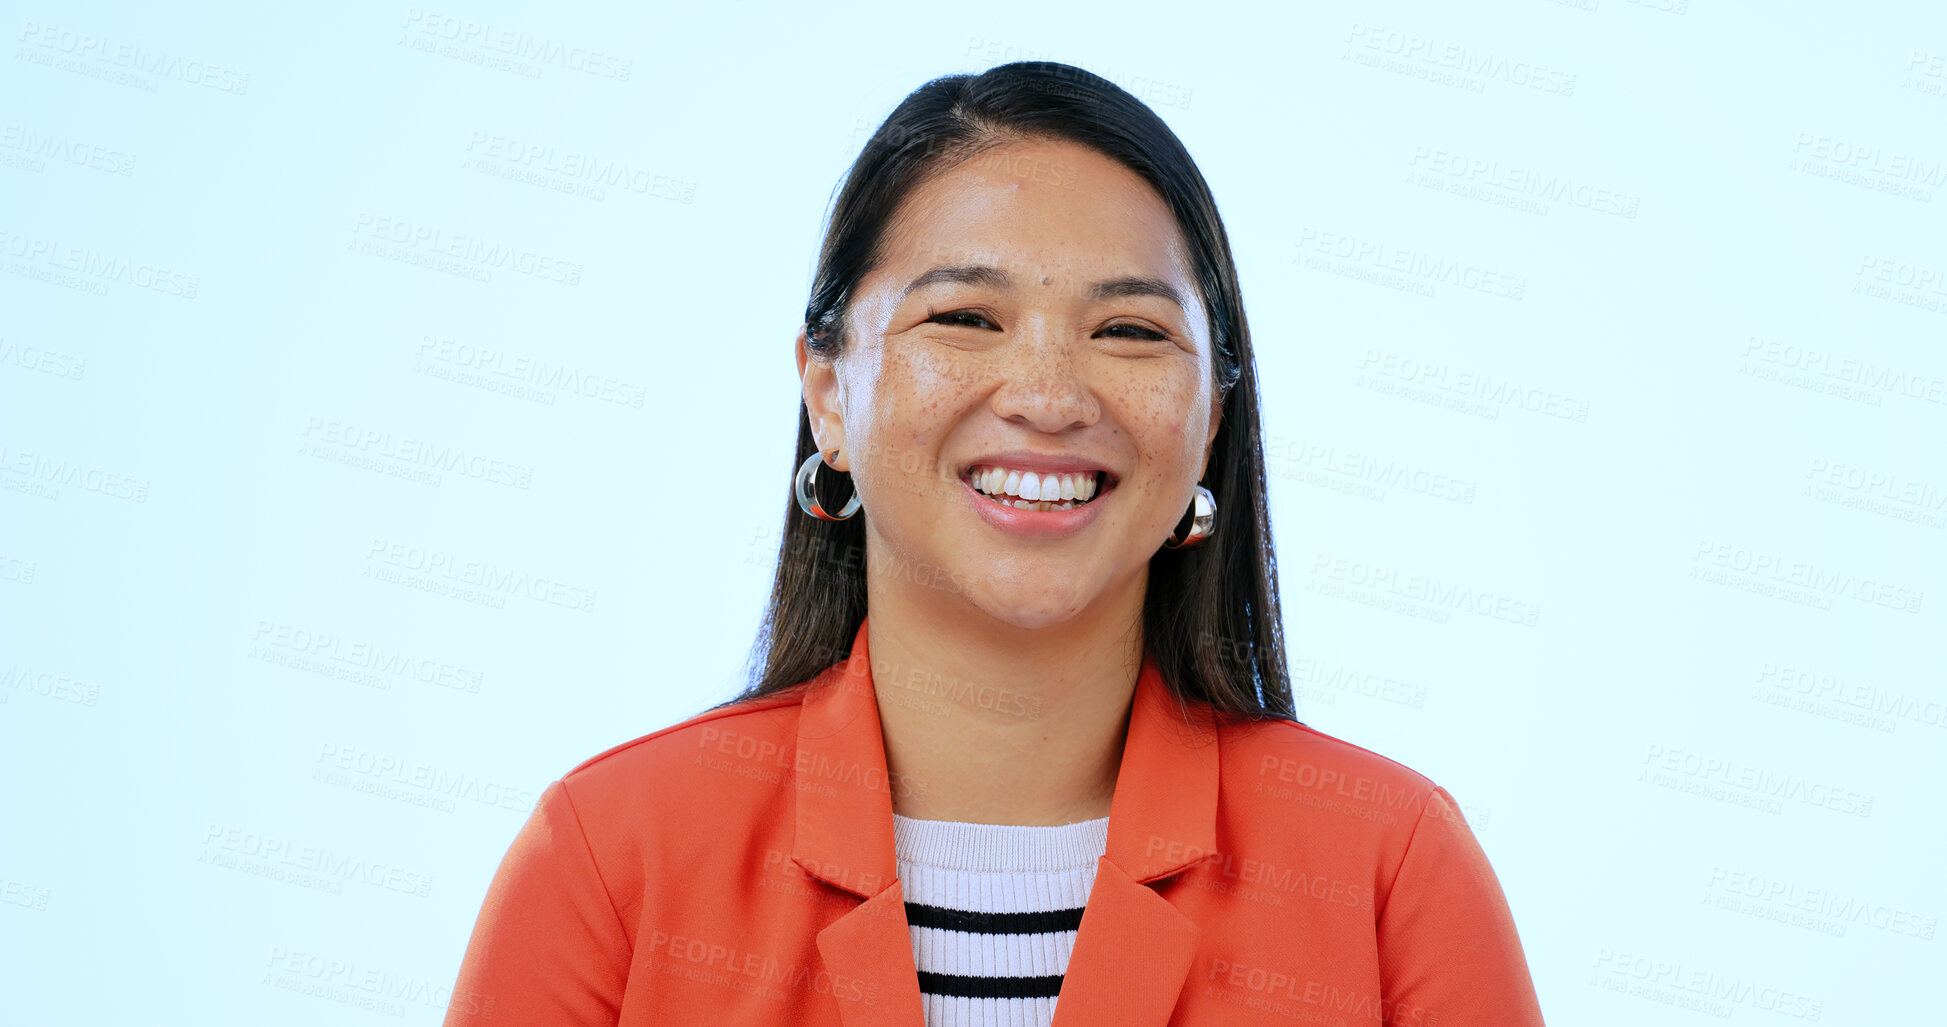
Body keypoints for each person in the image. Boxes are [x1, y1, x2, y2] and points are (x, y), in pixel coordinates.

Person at [442, 60, 1545, 1026]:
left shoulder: (1390, 871)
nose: (1050, 396)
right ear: (828, 394)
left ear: (1210, 418)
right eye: (966, 317)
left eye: (1130, 331)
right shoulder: (610, 860)